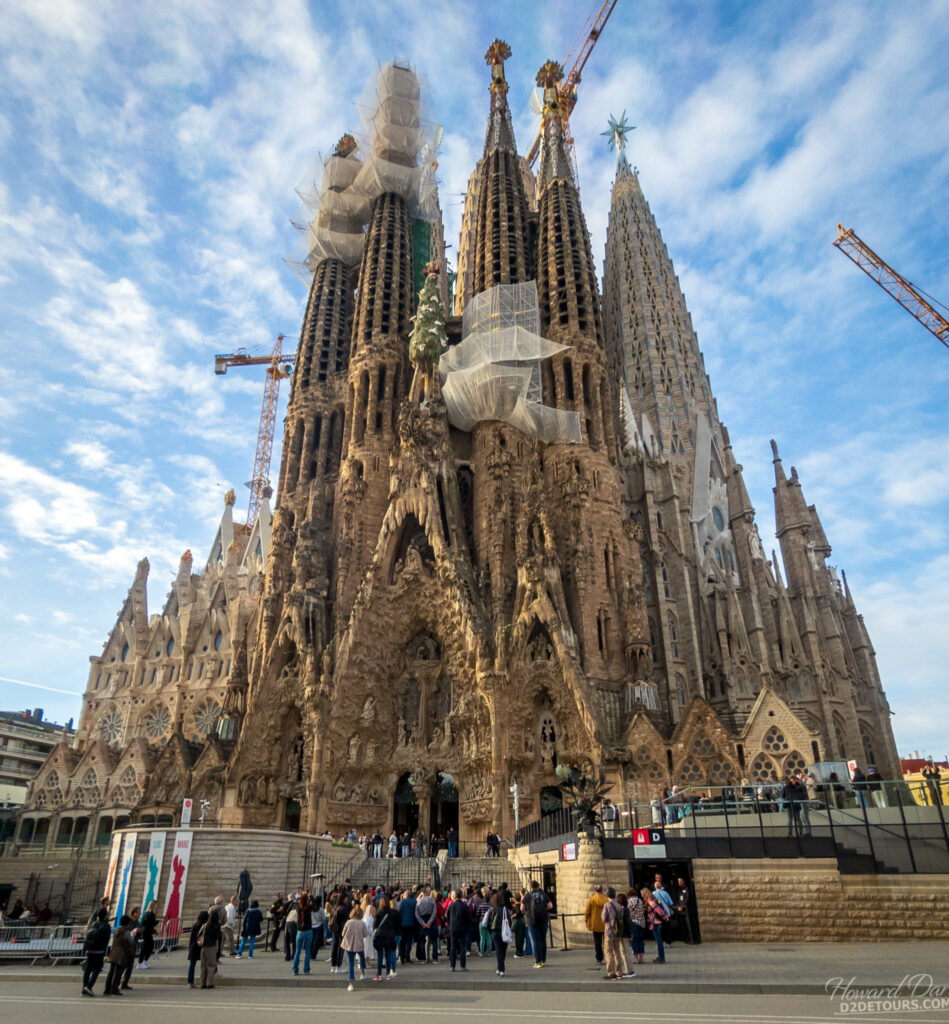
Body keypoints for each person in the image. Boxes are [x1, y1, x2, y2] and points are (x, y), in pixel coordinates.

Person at [601, 888, 634, 980]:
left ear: (607, 895)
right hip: (618, 932)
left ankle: (611, 972)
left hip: (609, 931)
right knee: (617, 952)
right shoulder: (619, 905)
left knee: (608, 952)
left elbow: (604, 918)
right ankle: (619, 972)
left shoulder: (607, 905)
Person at [521, 879, 552, 968]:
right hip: (543, 920)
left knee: (536, 941)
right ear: (538, 886)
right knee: (543, 940)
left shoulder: (527, 896)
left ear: (531, 887)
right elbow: (550, 906)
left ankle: (538, 962)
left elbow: (522, 908)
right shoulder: (543, 894)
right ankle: (543, 960)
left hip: (532, 920)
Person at [81, 907, 111, 996]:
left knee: (88, 969)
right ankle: (89, 987)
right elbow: (106, 939)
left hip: (90, 950)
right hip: (99, 951)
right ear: (105, 915)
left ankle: (84, 987)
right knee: (96, 970)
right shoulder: (106, 926)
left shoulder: (93, 924)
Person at [103, 914, 135, 996]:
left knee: (111, 972)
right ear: (128, 923)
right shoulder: (126, 932)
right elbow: (131, 942)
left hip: (114, 953)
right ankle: (115, 988)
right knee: (118, 973)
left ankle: (107, 988)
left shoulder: (116, 930)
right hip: (122, 954)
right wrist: (133, 935)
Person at [341, 905, 369, 992]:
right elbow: (365, 934)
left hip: (349, 945)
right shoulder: (362, 923)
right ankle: (362, 973)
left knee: (351, 964)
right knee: (362, 958)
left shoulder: (348, 922)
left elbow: (343, 934)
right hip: (359, 944)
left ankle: (351, 984)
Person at [372, 894, 398, 980]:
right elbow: (394, 924)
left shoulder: (379, 912)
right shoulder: (392, 912)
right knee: (388, 954)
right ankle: (387, 974)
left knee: (380, 956)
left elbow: (375, 925)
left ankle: (379, 974)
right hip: (390, 935)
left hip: (381, 935)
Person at [484, 891, 510, 977]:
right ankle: (501, 968)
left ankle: (500, 968)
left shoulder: (492, 909)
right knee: (503, 951)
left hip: (495, 931)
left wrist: (490, 930)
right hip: (504, 931)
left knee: (498, 950)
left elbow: (488, 922)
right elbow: (509, 920)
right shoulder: (505, 909)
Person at [583, 884, 609, 966]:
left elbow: (587, 912)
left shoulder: (592, 900)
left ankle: (599, 958)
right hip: (605, 924)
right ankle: (608, 957)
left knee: (597, 943)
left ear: (595, 891)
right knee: (607, 942)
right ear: (602, 890)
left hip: (595, 924)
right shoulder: (606, 899)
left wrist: (587, 920)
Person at [446, 889, 471, 971]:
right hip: (462, 928)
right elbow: (469, 918)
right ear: (462, 896)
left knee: (453, 947)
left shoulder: (451, 905)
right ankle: (462, 966)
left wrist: (450, 925)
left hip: (453, 928)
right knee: (462, 947)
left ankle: (452, 966)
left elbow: (447, 916)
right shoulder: (464, 906)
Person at [200, 898, 222, 988]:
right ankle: (210, 983)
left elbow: (200, 934)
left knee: (203, 966)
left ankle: (202, 983)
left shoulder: (205, 925)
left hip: (203, 947)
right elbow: (218, 936)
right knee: (211, 965)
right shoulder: (216, 926)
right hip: (211, 946)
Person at [415, 884, 439, 963]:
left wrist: (422, 923)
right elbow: (434, 912)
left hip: (422, 919)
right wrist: (429, 922)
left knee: (422, 940)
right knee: (434, 939)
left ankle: (423, 958)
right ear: (427, 891)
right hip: (430, 920)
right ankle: (435, 958)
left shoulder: (419, 901)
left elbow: (416, 913)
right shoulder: (432, 900)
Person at [643, 887, 668, 963]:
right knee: (658, 940)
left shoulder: (651, 902)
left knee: (659, 940)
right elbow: (663, 908)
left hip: (655, 922)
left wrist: (664, 917)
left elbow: (659, 910)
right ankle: (660, 956)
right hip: (656, 922)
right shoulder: (655, 900)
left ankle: (661, 957)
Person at [292, 892, 314, 975]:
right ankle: (306, 969)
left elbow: (296, 903)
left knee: (297, 951)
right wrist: (310, 897)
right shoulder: (309, 907)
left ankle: (295, 970)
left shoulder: (298, 907)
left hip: (300, 931)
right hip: (308, 930)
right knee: (307, 951)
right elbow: (315, 906)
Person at [187, 911, 209, 989]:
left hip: (193, 946)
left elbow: (192, 938)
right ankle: (204, 981)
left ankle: (190, 982)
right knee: (206, 964)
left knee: (192, 965)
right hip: (200, 946)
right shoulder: (205, 926)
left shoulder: (195, 925)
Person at [626, 888, 647, 965]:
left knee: (634, 941)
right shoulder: (640, 900)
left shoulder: (629, 901)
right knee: (641, 941)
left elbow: (627, 912)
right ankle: (642, 958)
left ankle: (636, 959)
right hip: (642, 923)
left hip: (634, 923)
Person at [136, 900, 159, 970]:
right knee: (146, 947)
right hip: (147, 933)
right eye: (156, 905)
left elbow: (148, 923)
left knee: (149, 947)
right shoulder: (150, 914)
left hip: (147, 933)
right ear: (153, 905)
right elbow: (150, 924)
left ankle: (144, 962)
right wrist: (157, 923)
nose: (157, 906)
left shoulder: (147, 913)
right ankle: (140, 963)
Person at [398, 888, 417, 965]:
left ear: (406, 895)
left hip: (402, 924)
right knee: (409, 941)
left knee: (401, 941)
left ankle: (401, 957)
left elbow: (399, 912)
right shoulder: (415, 902)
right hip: (411, 924)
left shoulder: (402, 902)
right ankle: (407, 957)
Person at [672, 876, 694, 944]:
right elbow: (677, 899)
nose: (679, 883)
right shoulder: (678, 890)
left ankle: (691, 938)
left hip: (686, 910)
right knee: (682, 925)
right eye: (678, 881)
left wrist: (682, 906)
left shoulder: (687, 889)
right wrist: (677, 906)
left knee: (688, 925)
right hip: (680, 911)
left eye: (681, 881)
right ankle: (685, 938)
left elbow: (687, 899)